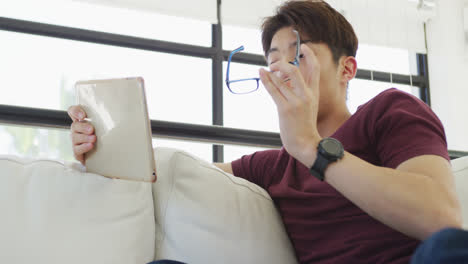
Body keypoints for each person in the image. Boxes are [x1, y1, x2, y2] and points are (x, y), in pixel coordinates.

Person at [68, 1, 463, 263]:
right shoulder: (273, 166)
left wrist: (312, 148)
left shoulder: (389, 111)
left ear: (346, 70)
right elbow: (170, 170)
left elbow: (439, 217)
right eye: (272, 60)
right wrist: (103, 144)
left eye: (297, 54)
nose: (281, 70)